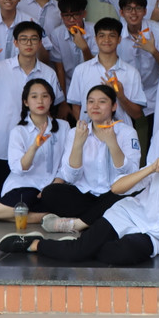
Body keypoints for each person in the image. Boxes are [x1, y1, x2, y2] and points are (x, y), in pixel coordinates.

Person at [0, 135, 159, 266]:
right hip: (126, 215)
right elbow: (117, 188)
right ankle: (36, 244)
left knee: (120, 255)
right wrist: (151, 168)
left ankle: (82, 244)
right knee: (78, 253)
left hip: (154, 237)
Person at [0, 21, 63, 201]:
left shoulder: (48, 73)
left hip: (34, 146)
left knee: (27, 197)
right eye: (23, 39)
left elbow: (54, 107)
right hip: (1, 142)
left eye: (34, 39)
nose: (29, 43)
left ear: (40, 43)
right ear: (15, 43)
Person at [0, 78, 70, 225]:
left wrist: (53, 187)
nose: (40, 101)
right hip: (24, 185)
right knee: (27, 198)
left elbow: (66, 164)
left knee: (61, 203)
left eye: (45, 96)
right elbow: (18, 168)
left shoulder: (64, 127)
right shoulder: (19, 131)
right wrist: (34, 147)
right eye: (34, 96)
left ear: (51, 100)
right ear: (26, 102)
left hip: (52, 186)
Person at [37, 85, 143, 226]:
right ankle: (99, 220)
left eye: (102, 101)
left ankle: (79, 224)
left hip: (113, 194)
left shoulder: (127, 132)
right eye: (91, 101)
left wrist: (113, 143)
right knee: (50, 193)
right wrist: (78, 145)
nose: (95, 106)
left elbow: (131, 173)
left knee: (128, 196)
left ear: (114, 106)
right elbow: (70, 177)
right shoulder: (76, 132)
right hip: (85, 195)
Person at [114, 0, 159, 125]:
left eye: (138, 8)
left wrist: (153, 51)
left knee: (155, 132)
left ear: (145, 11)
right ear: (121, 12)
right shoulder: (116, 32)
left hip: (154, 91)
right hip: (125, 91)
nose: (133, 13)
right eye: (128, 9)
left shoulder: (157, 31)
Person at [47, 0, 93, 97]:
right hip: (68, 85)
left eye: (75, 15)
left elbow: (95, 66)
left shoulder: (95, 31)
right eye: (66, 16)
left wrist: (85, 48)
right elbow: (59, 69)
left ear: (84, 14)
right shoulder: (56, 34)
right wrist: (62, 99)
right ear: (61, 16)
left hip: (92, 82)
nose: (71, 20)